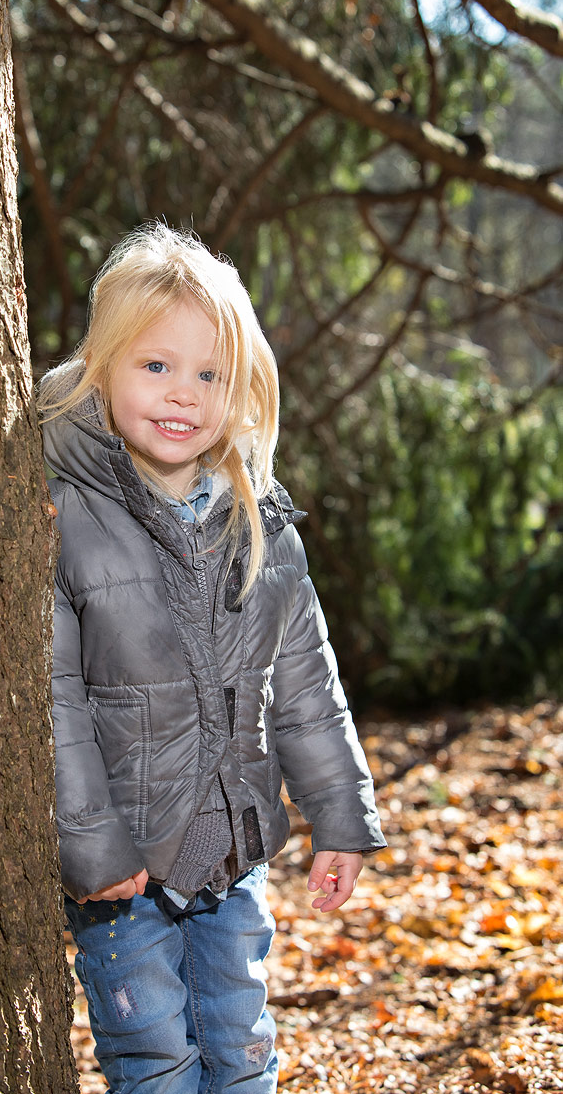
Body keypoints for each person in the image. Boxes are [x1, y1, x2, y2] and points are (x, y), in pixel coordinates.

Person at [38, 223, 385, 1094]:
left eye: (210, 374)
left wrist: (339, 814)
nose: (183, 394)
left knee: (241, 1046)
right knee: (152, 1058)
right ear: (102, 367)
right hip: (125, 865)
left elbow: (304, 679)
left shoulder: (253, 516)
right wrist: (92, 848)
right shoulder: (61, 515)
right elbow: (53, 701)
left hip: (231, 853)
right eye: (155, 366)